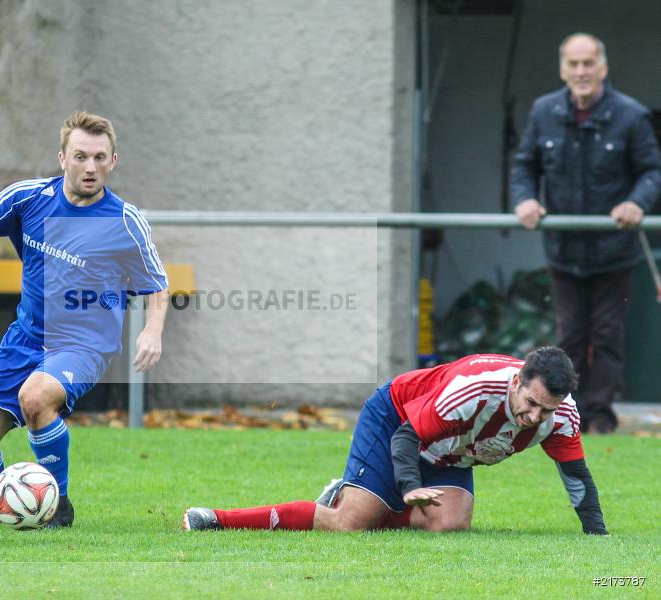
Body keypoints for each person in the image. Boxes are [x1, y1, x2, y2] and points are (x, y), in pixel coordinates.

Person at [0, 111, 169, 527]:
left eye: (99, 157)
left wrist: (151, 331)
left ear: (113, 161)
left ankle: (59, 506)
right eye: (80, 156)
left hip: (83, 343)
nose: (90, 167)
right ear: (62, 158)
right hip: (25, 338)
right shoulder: (27, 199)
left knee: (36, 396)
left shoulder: (125, 222)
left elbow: (158, 285)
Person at [183, 348, 608, 535]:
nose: (534, 417)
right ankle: (217, 518)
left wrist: (596, 534)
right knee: (348, 525)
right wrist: (408, 488)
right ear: (517, 382)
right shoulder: (474, 390)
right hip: (397, 418)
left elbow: (575, 475)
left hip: (450, 450)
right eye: (531, 403)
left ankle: (363, 502)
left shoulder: (560, 415)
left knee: (450, 523)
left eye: (545, 410)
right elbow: (407, 437)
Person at [510, 33, 661, 434]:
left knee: (608, 336)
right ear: (562, 69)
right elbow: (524, 165)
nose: (581, 72)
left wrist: (637, 202)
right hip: (564, 249)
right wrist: (524, 199)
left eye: (588, 63)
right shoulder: (544, 111)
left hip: (614, 249)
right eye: (573, 64)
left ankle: (600, 417)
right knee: (570, 336)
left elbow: (652, 171)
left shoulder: (630, 114)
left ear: (603, 67)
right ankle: (564, 414)